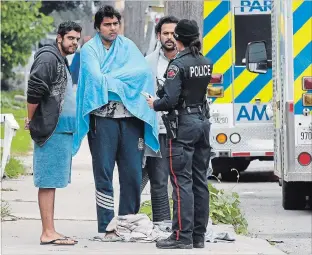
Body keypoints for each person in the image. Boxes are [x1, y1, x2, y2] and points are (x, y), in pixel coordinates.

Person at [72, 5, 159, 240]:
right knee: (104, 174)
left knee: (132, 173)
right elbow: (95, 79)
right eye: (107, 24)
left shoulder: (128, 46)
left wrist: (113, 81)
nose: (113, 28)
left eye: (115, 24)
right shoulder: (90, 50)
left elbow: (142, 75)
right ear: (98, 27)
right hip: (103, 121)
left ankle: (128, 223)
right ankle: (106, 226)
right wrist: (123, 82)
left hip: (131, 120)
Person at [146, 19, 213, 249]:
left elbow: (170, 100)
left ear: (178, 38)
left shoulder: (176, 65)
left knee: (181, 182)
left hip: (183, 126)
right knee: (200, 181)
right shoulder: (205, 62)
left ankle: (181, 237)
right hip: (203, 123)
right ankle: (198, 236)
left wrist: (154, 103)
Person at [26, 21, 82, 245]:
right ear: (59, 37)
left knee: (53, 181)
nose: (74, 43)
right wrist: (31, 120)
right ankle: (47, 232)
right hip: (51, 131)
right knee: (47, 182)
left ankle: (51, 229)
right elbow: (34, 90)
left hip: (61, 130)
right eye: (70, 38)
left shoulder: (60, 59)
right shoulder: (49, 57)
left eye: (77, 39)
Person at [141, 15, 179, 223]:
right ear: (158, 36)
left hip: (183, 132)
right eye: (165, 33)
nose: (170, 37)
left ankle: (182, 227)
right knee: (158, 180)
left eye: (174, 33)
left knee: (182, 182)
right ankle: (161, 224)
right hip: (158, 131)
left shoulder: (188, 61)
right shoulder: (147, 64)